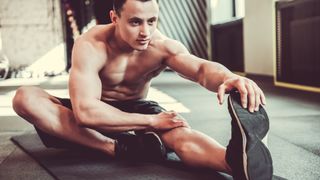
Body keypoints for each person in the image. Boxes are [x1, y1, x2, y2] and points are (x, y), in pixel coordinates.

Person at [12, 0, 273, 179]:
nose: (145, 31)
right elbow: (86, 113)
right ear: (115, 18)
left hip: (137, 108)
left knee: (180, 134)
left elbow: (201, 69)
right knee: (25, 97)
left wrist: (229, 78)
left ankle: (232, 162)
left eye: (152, 21)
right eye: (135, 22)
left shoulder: (161, 46)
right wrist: (152, 121)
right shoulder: (90, 45)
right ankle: (117, 147)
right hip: (95, 112)